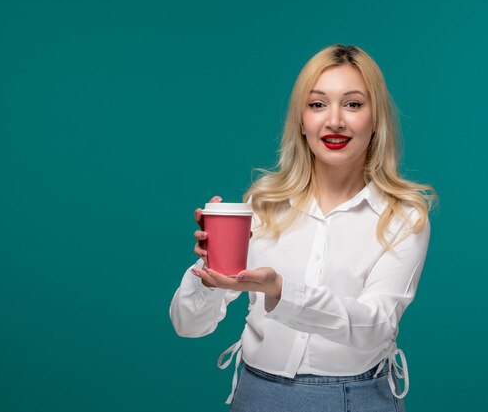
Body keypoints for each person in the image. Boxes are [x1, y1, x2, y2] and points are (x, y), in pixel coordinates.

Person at [169, 44, 436, 412]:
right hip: (256, 395)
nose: (335, 121)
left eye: (354, 104)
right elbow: (188, 325)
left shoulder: (404, 217)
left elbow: (375, 328)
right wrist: (209, 271)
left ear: (376, 120)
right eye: (317, 104)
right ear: (301, 121)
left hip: (355, 399)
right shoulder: (262, 206)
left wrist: (280, 291)